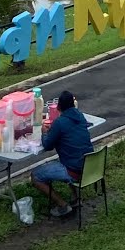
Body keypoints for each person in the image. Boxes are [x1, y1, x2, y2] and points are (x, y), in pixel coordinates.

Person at [32, 90, 94, 218]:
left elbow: (48, 145)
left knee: (35, 176)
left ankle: (62, 205)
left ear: (59, 107)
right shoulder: (81, 117)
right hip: (89, 165)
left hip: (73, 169)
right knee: (70, 157)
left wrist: (44, 132)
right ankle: (76, 198)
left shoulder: (60, 123)